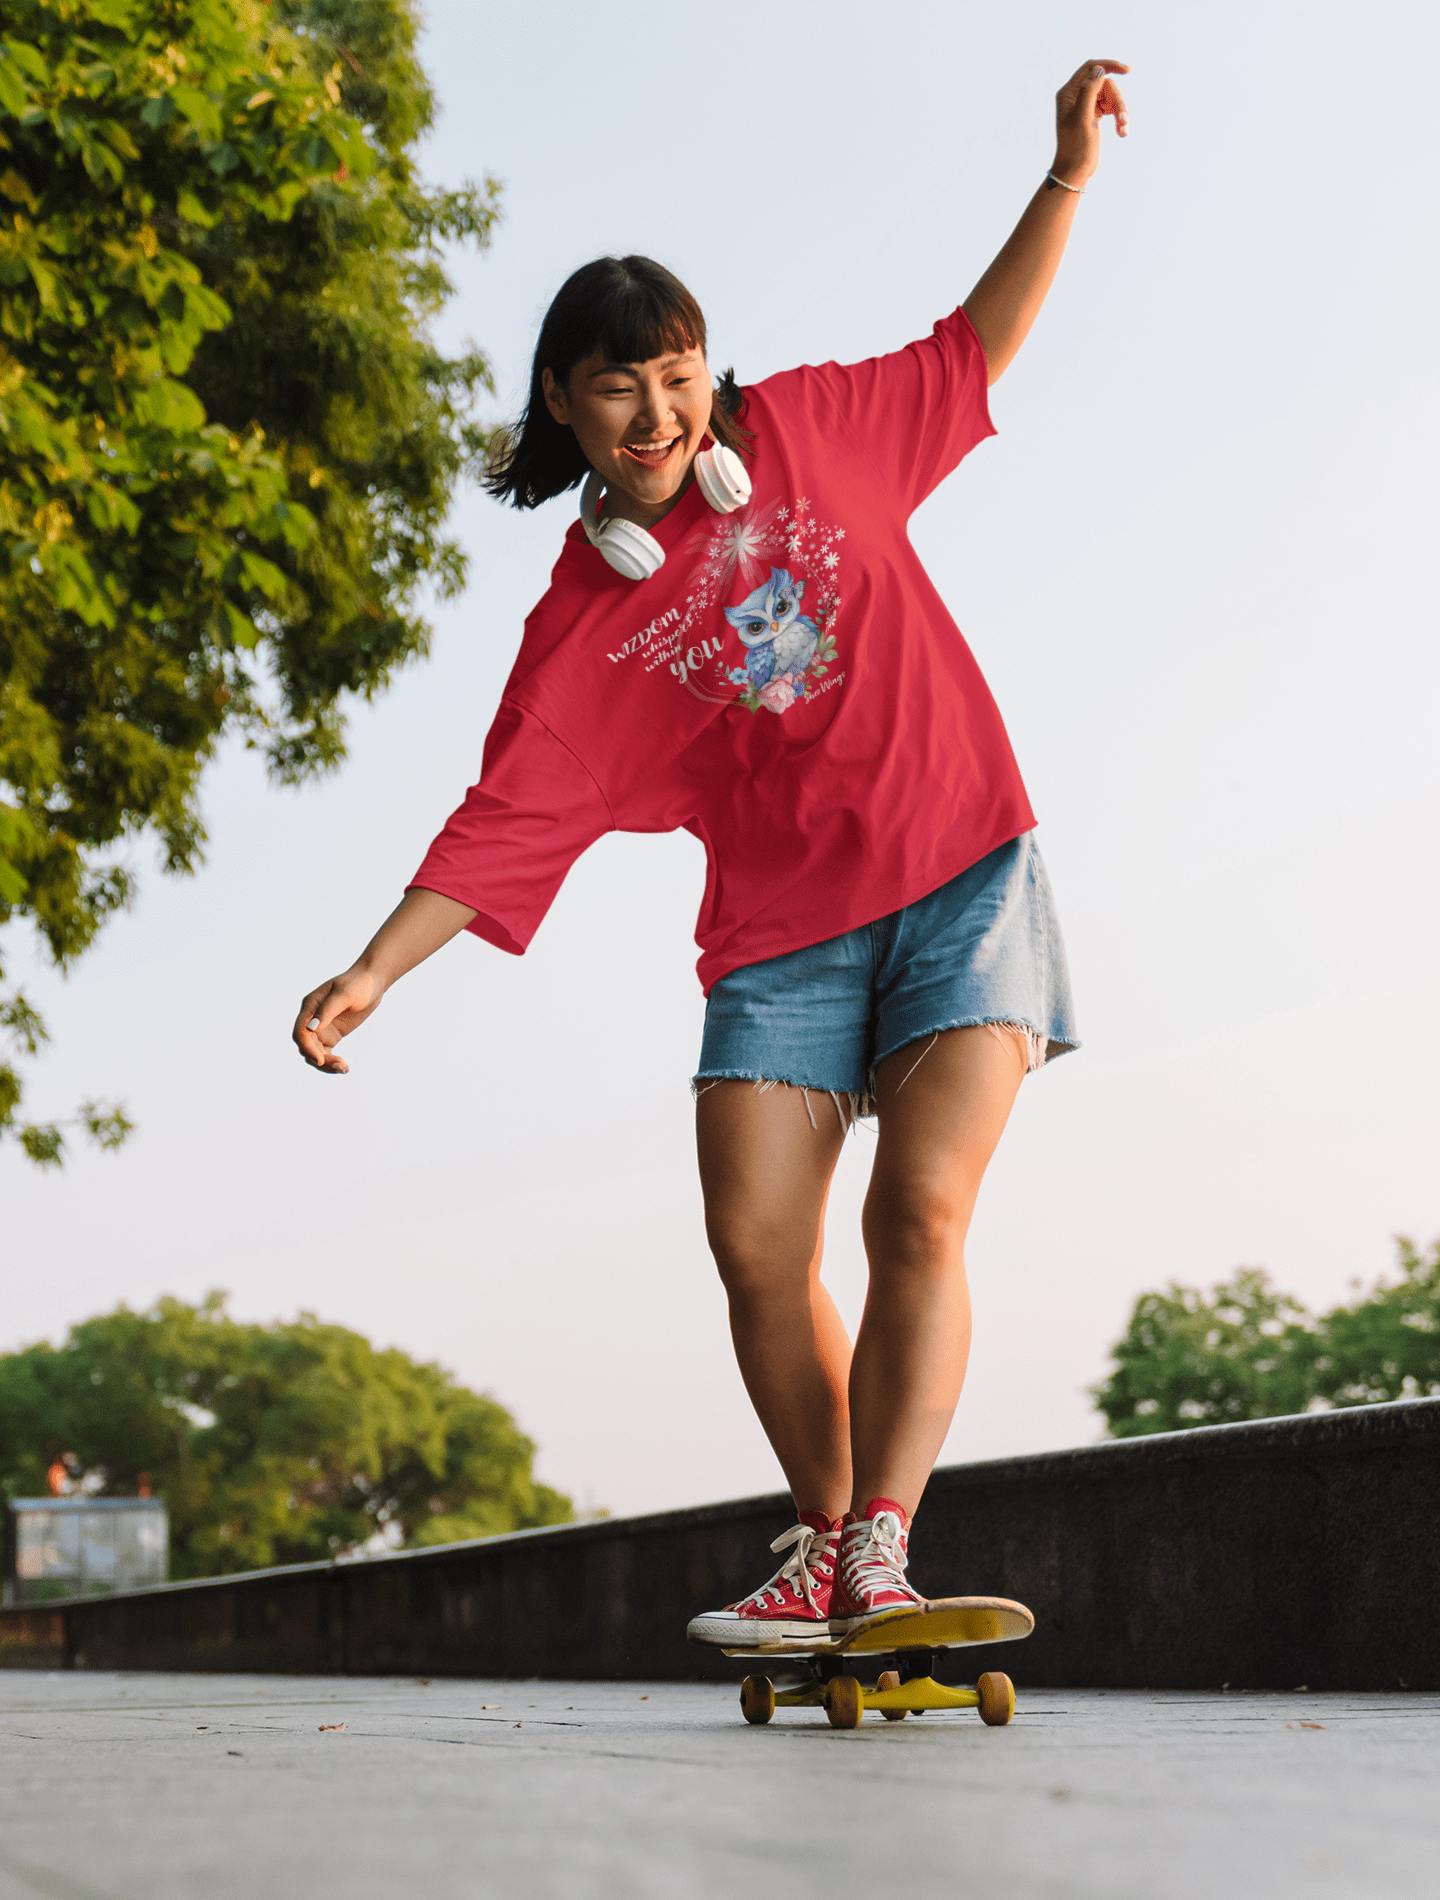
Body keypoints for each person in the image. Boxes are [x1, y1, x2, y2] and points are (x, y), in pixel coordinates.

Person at [293, 59, 1129, 1644]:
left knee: (919, 1214)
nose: (661, 413)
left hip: (960, 868)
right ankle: (821, 1543)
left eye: (678, 374)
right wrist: (370, 973)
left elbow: (974, 346)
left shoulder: (818, 425)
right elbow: (506, 818)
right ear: (566, 400)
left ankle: (883, 1545)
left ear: (706, 374)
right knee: (754, 1244)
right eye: (621, 387)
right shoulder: (586, 615)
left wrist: (1067, 174)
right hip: (783, 939)